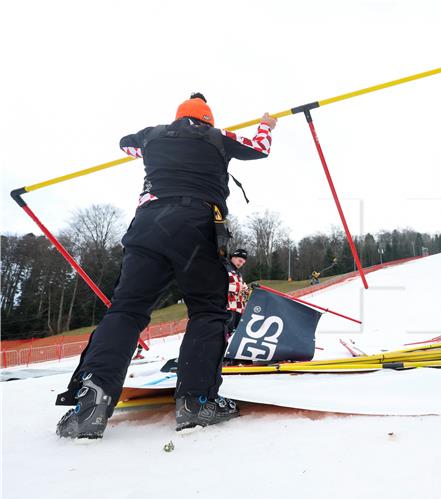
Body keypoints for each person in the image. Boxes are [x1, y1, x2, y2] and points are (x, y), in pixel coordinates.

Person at [55, 93, 278, 438]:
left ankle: (90, 405)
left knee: (126, 311)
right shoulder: (219, 138)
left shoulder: (151, 135)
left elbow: (125, 144)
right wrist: (266, 125)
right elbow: (260, 147)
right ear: (208, 119)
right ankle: (195, 402)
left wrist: (153, 146)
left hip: (148, 225)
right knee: (207, 310)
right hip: (196, 223)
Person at [226, 248, 251, 336]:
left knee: (235, 336)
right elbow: (219, 285)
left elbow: (244, 290)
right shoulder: (225, 267)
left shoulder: (239, 274)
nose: (241, 264)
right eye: (240, 261)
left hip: (239, 310)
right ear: (234, 256)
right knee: (226, 334)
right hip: (229, 308)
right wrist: (236, 289)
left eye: (243, 263)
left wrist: (248, 292)